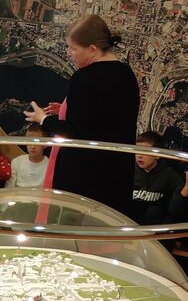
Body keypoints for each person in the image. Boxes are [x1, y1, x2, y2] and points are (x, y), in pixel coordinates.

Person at [24, 14, 139, 216]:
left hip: (84, 175)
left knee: (73, 227)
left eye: (73, 48)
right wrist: (66, 109)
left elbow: (75, 133)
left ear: (92, 49)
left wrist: (44, 119)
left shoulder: (84, 77)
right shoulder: (126, 73)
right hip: (117, 172)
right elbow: (107, 117)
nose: (69, 53)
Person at [129, 131, 180, 225]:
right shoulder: (129, 170)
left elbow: (174, 209)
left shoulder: (171, 177)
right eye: (137, 150)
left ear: (157, 155)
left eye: (144, 151)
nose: (139, 155)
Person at [5, 123, 47, 188]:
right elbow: (9, 188)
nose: (32, 146)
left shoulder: (50, 165)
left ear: (45, 144)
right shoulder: (17, 162)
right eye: (29, 141)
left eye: (37, 142)